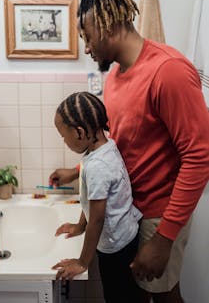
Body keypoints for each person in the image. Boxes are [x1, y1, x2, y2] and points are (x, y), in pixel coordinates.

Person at [49, 0, 209, 303]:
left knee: (165, 297)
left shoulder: (168, 71)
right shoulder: (116, 78)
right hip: (130, 212)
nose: (87, 47)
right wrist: (77, 173)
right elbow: (118, 149)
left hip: (158, 215)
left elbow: (200, 157)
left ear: (107, 23)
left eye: (87, 36)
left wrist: (164, 238)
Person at [51, 91, 142, 303]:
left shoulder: (98, 167)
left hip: (116, 247)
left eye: (64, 136)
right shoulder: (103, 146)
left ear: (80, 132)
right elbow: (93, 204)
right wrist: (80, 226)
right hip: (123, 235)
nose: (64, 141)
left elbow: (98, 217)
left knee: (116, 296)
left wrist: (83, 262)